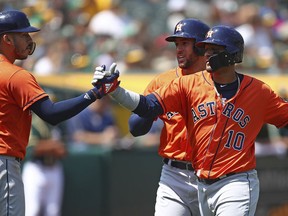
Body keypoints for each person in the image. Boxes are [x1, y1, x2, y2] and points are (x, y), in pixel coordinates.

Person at [93, 25, 288, 216]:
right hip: (190, 178)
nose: (208, 54)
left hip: (235, 180)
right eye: (206, 48)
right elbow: (146, 107)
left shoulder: (259, 91)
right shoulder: (185, 84)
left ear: (232, 54)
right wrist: (116, 92)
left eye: (214, 49)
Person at [0, 9, 118, 216]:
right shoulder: (16, 75)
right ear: (7, 39)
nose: (29, 39)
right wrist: (95, 94)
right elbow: (51, 113)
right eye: (23, 35)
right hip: (4, 161)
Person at [128, 18, 210, 216]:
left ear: (201, 47)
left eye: (185, 44)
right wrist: (149, 109)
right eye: (177, 44)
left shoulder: (218, 81)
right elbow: (136, 128)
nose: (179, 50)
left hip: (212, 174)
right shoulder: (163, 81)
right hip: (175, 176)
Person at [22, 113, 66, 216]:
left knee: (53, 212)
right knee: (32, 210)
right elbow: (31, 149)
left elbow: (64, 149)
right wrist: (53, 145)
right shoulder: (33, 122)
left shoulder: (60, 123)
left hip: (54, 168)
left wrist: (46, 146)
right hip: (36, 169)